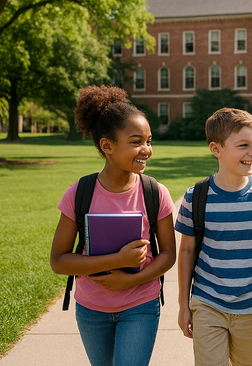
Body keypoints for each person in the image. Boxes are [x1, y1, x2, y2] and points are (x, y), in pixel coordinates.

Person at [50, 85, 177, 366]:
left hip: (141, 304)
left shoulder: (155, 193)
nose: (147, 149)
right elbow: (59, 261)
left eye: (149, 140)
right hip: (91, 308)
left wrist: (130, 279)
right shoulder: (79, 193)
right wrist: (118, 260)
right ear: (107, 146)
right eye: (136, 141)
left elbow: (168, 254)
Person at [176, 108, 252, 366]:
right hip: (208, 301)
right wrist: (183, 304)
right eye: (243, 145)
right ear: (216, 149)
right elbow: (186, 252)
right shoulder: (195, 197)